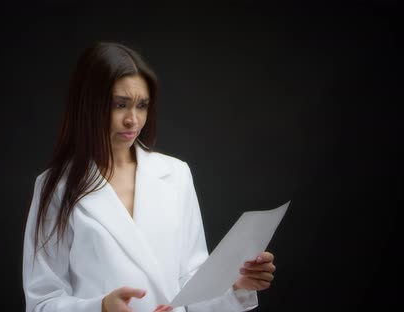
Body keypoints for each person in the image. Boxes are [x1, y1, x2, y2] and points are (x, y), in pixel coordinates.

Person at [22, 41, 277, 312]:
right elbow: (43, 303)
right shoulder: (57, 187)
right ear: (89, 105)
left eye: (142, 105)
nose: (133, 120)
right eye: (120, 105)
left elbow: (193, 287)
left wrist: (237, 287)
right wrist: (102, 307)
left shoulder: (176, 174)